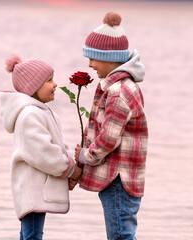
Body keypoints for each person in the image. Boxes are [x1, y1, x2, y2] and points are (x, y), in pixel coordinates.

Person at [71, 12, 148, 240]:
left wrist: (86, 155)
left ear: (110, 57)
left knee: (120, 236)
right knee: (122, 233)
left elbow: (109, 138)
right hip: (123, 177)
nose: (90, 64)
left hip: (118, 178)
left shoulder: (118, 92)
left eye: (93, 58)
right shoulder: (122, 86)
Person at [0, 55, 82, 240]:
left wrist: (75, 161)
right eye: (49, 80)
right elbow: (44, 152)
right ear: (33, 87)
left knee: (30, 234)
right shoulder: (30, 115)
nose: (55, 85)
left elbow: (57, 146)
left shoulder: (41, 112)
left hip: (38, 188)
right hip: (32, 189)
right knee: (32, 235)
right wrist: (69, 169)